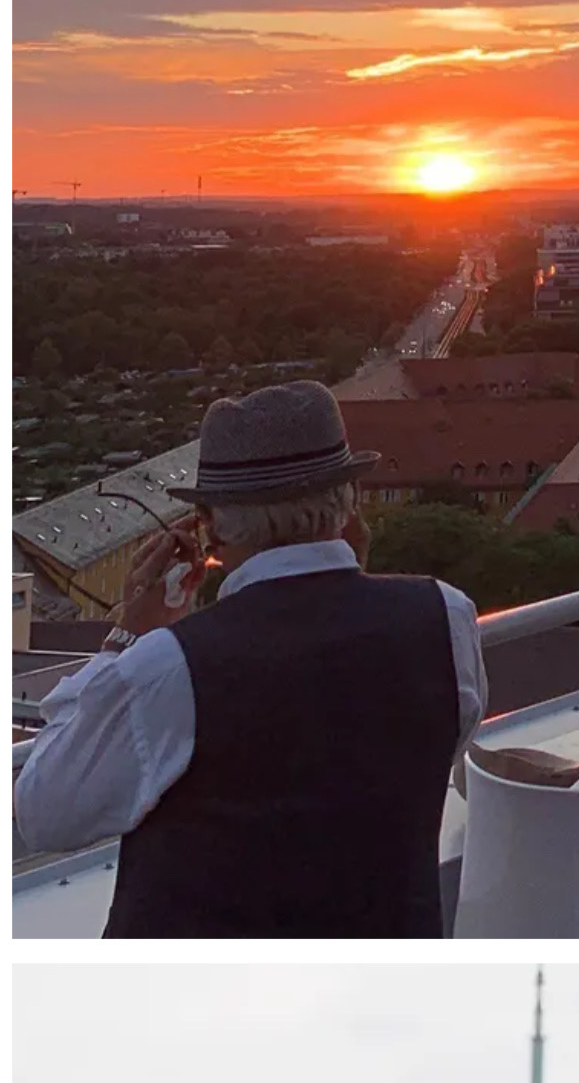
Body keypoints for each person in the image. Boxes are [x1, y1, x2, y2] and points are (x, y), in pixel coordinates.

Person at [13, 378, 499, 936]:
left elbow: (43, 812)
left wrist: (126, 636)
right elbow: (406, 755)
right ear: (347, 502)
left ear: (213, 528)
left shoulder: (174, 664)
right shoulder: (445, 617)